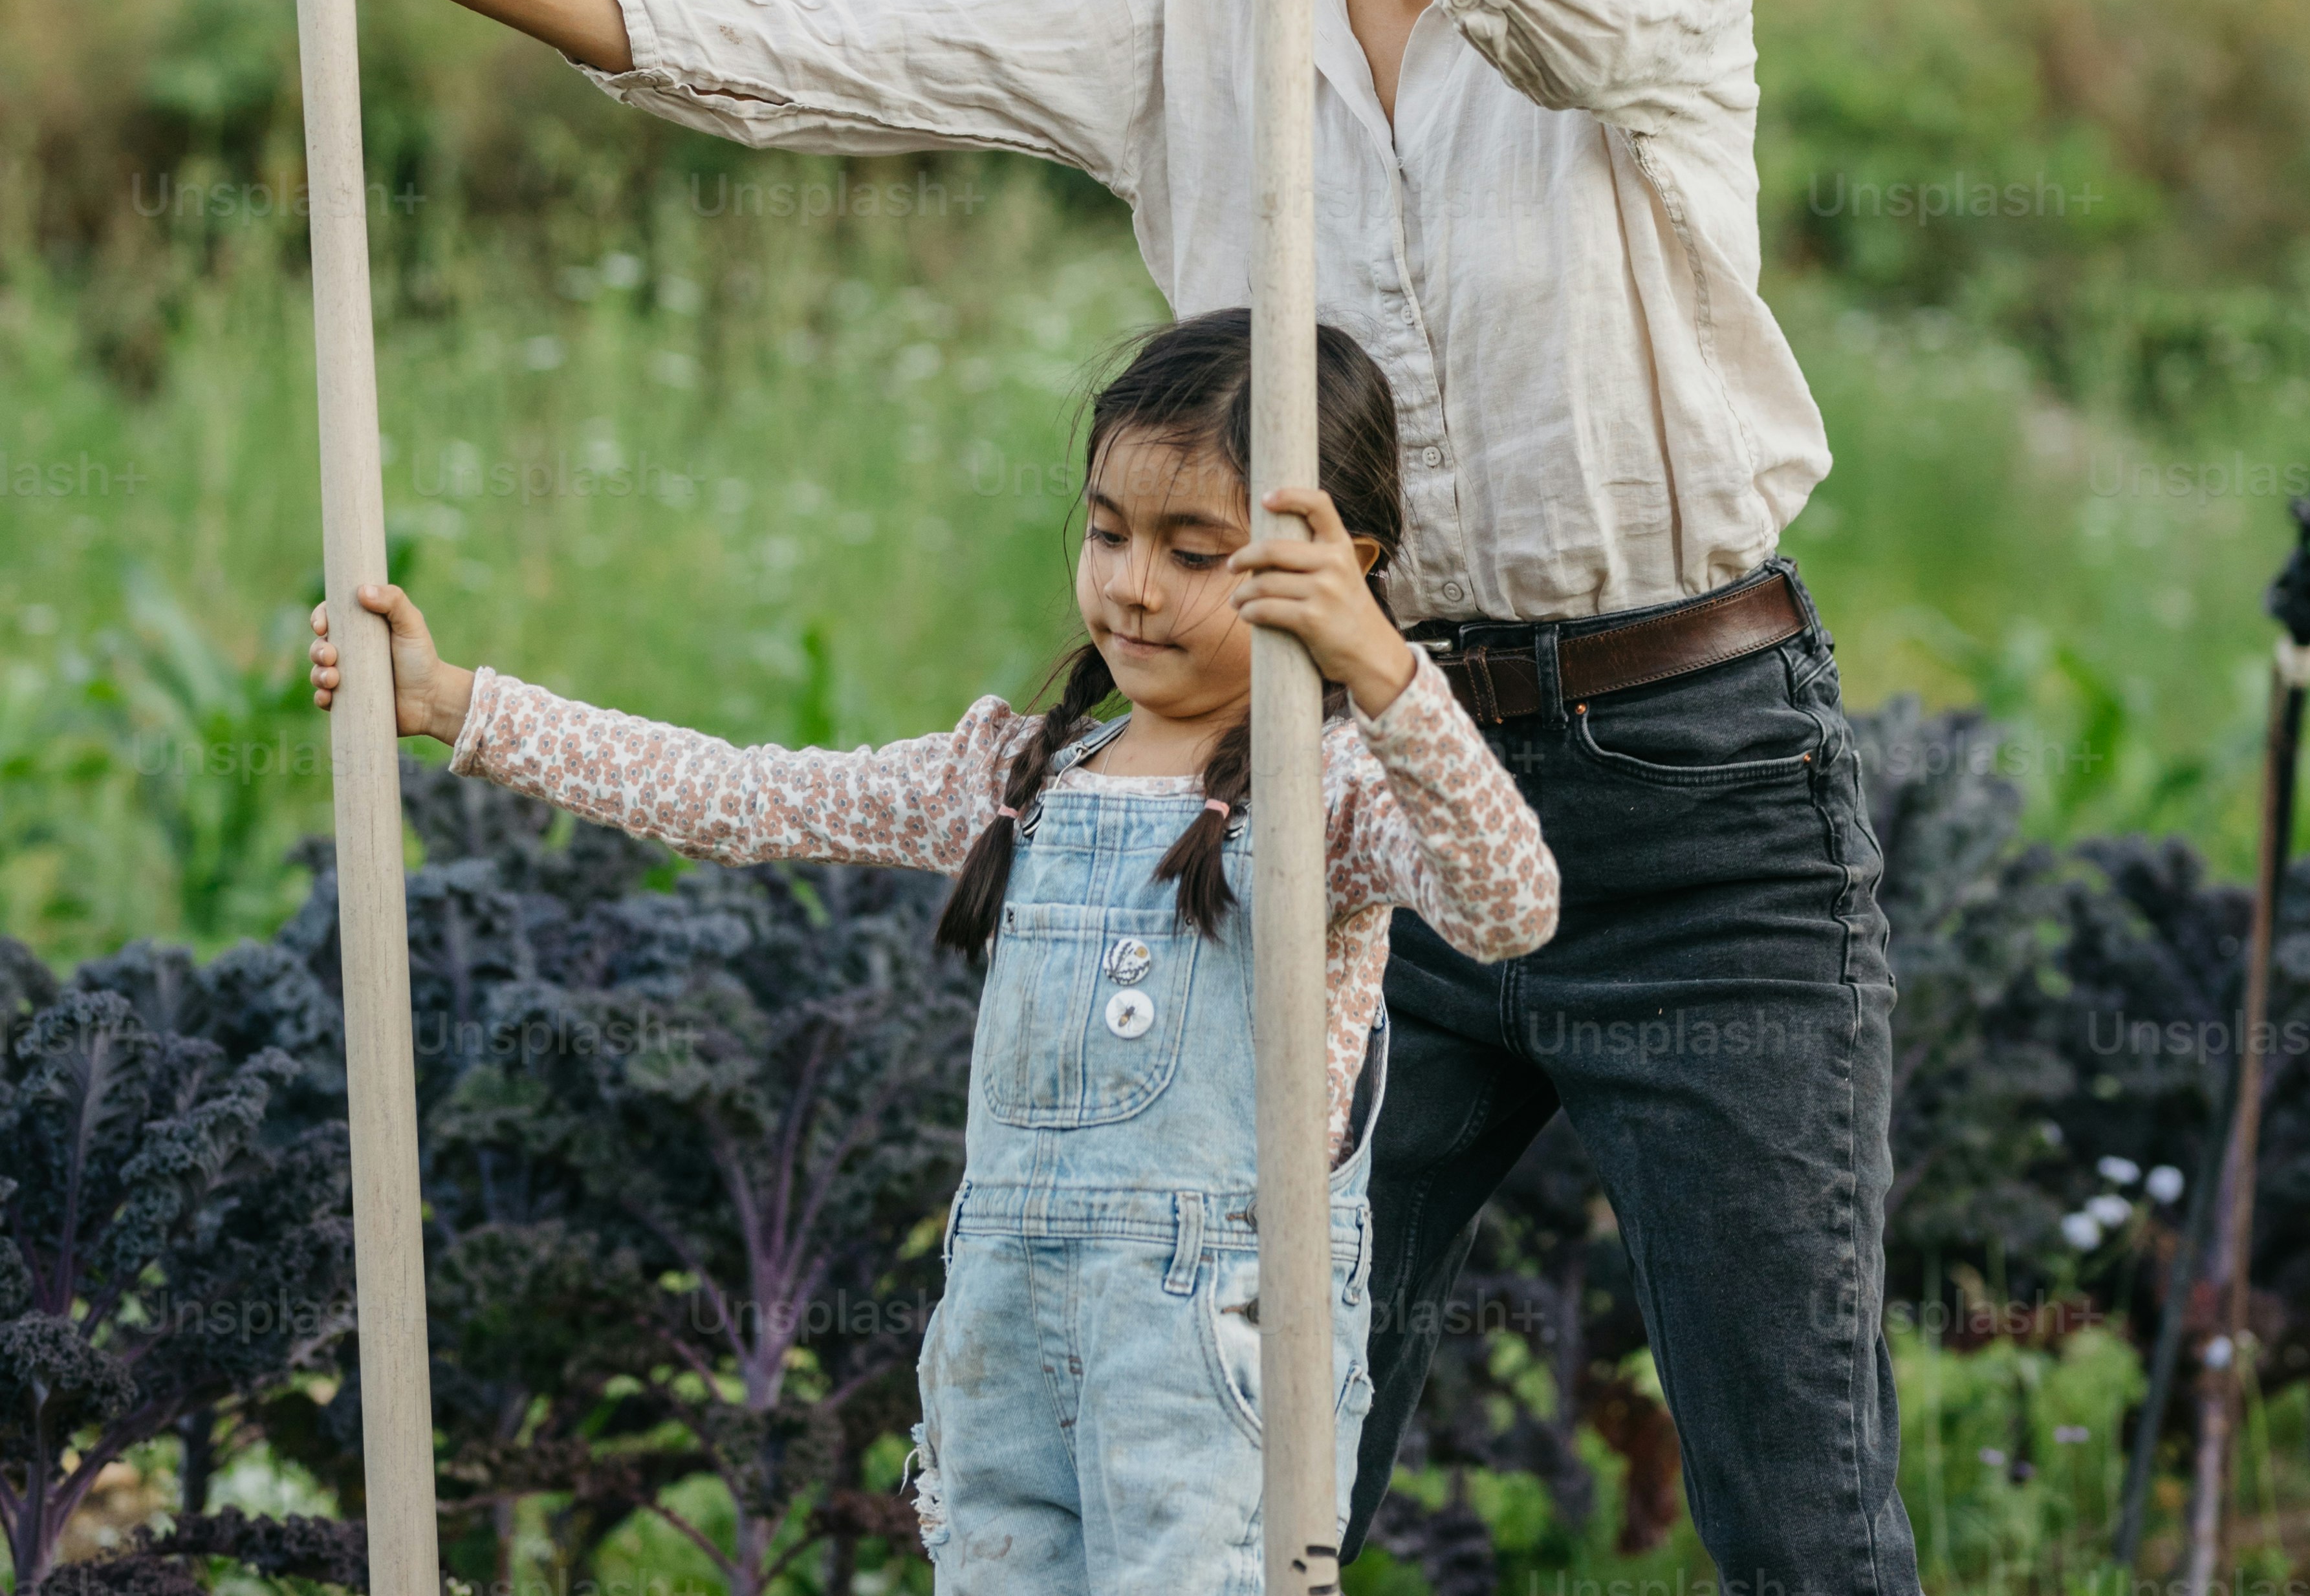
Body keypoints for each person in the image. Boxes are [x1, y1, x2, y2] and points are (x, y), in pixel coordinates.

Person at [253, 0, 1918, 1596]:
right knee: (1255, 1488)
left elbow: (1582, 30)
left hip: (1688, 788)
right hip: (1305, 806)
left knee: (1800, 1506)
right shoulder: (1184, 14)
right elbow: (797, 59)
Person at [309, 310, 1556, 1595]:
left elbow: (1508, 900)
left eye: (1194, 553)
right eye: (1108, 531)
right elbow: (743, 797)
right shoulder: (1016, 776)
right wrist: (458, 704)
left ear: (1339, 567)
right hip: (1007, 1329)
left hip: (1218, 1344)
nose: (1131, 583)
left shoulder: (1329, 797)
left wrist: (1387, 672)